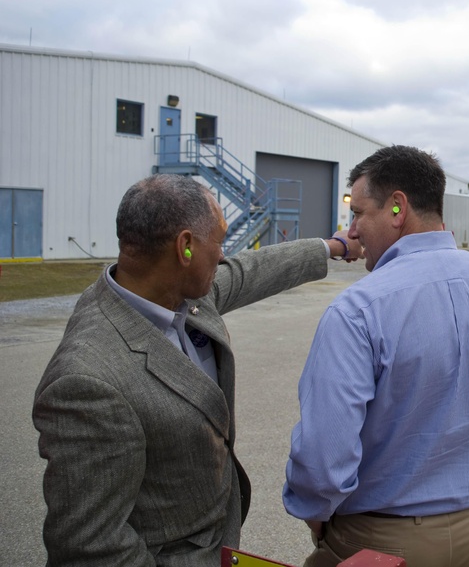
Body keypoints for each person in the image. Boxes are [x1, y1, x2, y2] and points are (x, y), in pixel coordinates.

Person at [33, 173, 360, 567]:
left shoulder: (171, 292)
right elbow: (89, 547)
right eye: (220, 240)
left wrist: (331, 246)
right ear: (185, 246)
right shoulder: (87, 380)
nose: (223, 256)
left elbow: (248, 271)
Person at [283, 145, 469, 567]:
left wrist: (315, 511)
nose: (353, 230)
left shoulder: (358, 310)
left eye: (359, 213)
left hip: (383, 541)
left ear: (397, 208)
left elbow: (325, 459)